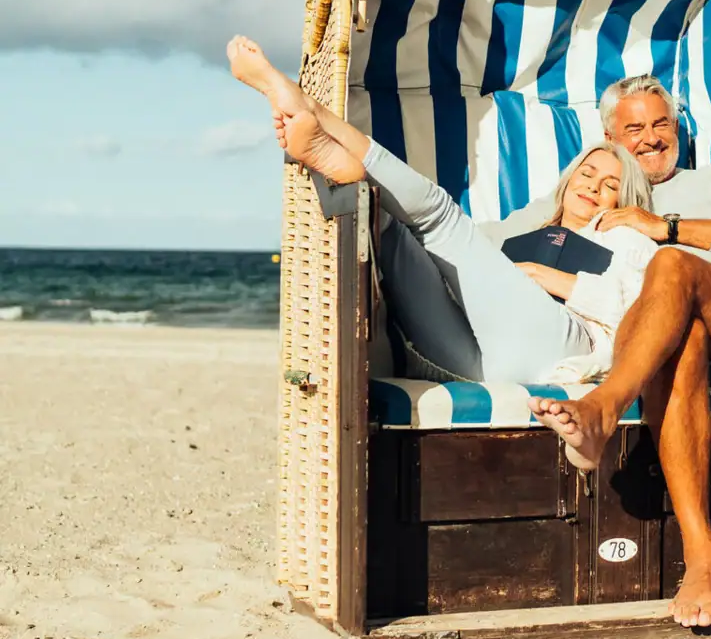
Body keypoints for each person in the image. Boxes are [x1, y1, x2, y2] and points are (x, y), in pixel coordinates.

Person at [509, 75, 711, 629]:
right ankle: (702, 557)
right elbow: (505, 236)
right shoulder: (601, 187)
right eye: (633, 128)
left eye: (661, 124)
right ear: (610, 134)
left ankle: (604, 407)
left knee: (669, 265)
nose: (651, 138)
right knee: (676, 338)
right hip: (662, 336)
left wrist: (663, 227)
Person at [225, 37, 657, 384]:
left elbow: (644, 313)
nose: (594, 186)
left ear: (624, 202)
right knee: (389, 225)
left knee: (438, 218)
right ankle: (335, 165)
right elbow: (469, 261)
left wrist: (545, 276)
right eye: (587, 173)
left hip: (564, 348)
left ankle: (312, 112)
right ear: (567, 181)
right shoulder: (519, 231)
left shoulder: (625, 237)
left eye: (611, 185)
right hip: (481, 367)